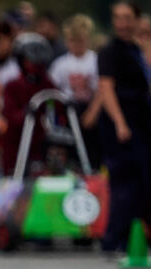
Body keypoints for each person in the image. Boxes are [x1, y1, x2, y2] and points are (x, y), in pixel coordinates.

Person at [96, 1, 151, 254]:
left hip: (141, 122)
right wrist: (120, 122)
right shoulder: (110, 51)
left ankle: (134, 237)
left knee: (143, 182)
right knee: (124, 184)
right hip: (120, 122)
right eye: (118, 18)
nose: (122, 23)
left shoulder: (136, 49)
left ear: (136, 20)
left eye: (127, 18)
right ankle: (114, 240)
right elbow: (106, 88)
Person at [48, 14, 101, 169]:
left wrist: (93, 112)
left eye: (80, 41)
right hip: (68, 113)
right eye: (72, 41)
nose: (76, 45)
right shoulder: (60, 64)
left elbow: (101, 89)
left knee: (92, 151)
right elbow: (53, 90)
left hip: (90, 112)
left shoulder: (95, 61)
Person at [0, 33, 56, 174]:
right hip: (16, 143)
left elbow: (58, 108)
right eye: (30, 61)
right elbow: (10, 115)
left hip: (40, 141)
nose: (34, 66)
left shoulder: (47, 84)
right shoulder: (13, 85)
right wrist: (26, 113)